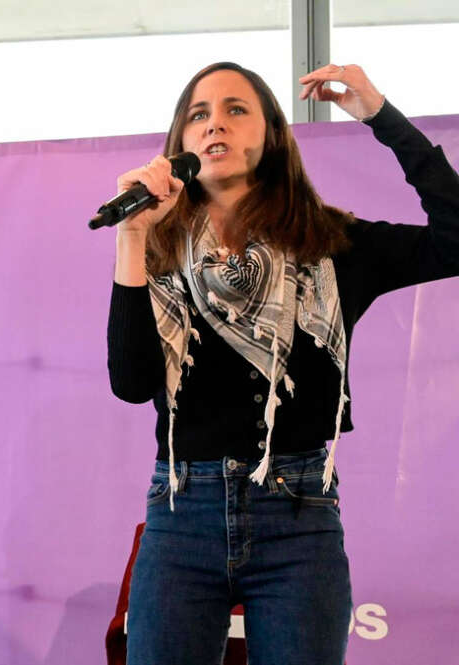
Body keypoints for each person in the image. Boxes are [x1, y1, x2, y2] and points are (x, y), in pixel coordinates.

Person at [106, 61, 459, 664]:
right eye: (199, 115)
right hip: (181, 513)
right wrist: (132, 237)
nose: (215, 124)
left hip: (298, 517)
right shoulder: (159, 255)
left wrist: (381, 115)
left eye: (235, 110)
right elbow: (132, 384)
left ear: (270, 134)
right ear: (181, 146)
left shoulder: (331, 245)